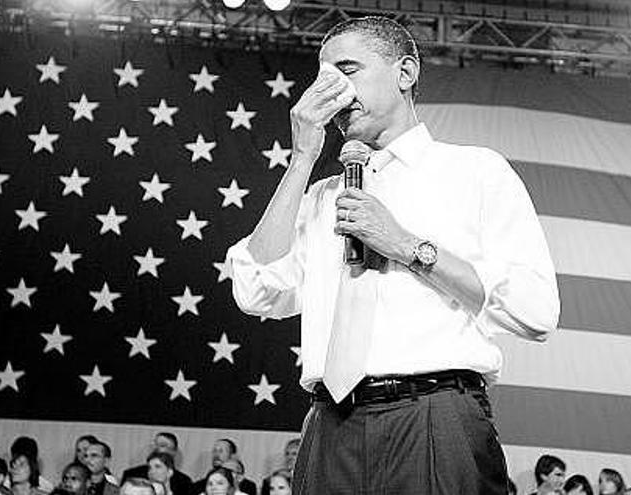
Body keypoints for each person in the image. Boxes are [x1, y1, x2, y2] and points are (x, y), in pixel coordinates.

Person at [225, 15, 559, 495]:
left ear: (405, 74)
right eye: (323, 78)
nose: (332, 91)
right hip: (329, 424)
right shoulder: (320, 195)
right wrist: (301, 159)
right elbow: (255, 290)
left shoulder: (475, 171)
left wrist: (406, 245)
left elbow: (537, 309)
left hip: (437, 419)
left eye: (347, 70)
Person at [122, 434, 191, 495]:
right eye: (155, 445)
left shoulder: (184, 482)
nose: (157, 448)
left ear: (174, 452)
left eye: (162, 445)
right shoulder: (132, 474)